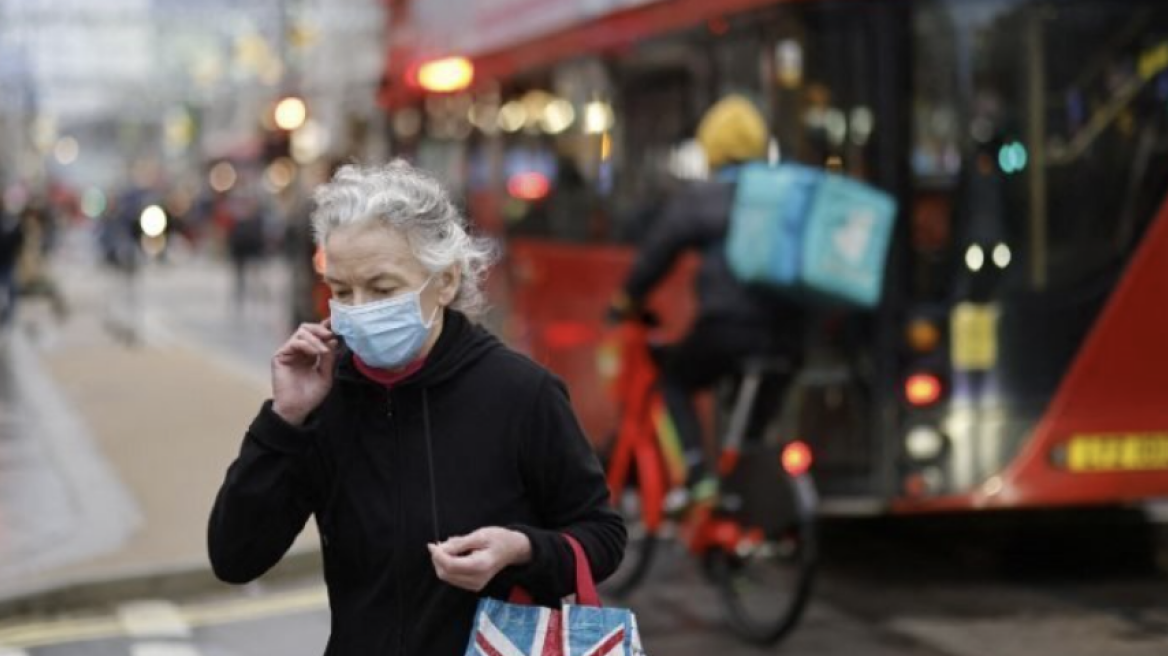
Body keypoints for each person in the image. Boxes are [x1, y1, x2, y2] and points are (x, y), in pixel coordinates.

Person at [208, 161, 625, 656]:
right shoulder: (325, 400)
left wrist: (523, 549)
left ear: (445, 282)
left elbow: (602, 534)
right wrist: (283, 421)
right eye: (341, 291)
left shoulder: (520, 392)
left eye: (382, 289)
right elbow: (235, 558)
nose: (359, 308)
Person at [610, 95, 806, 501]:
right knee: (751, 423)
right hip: (790, 335)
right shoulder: (788, 193)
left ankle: (698, 474)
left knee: (675, 380)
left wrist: (626, 299)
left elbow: (657, 255)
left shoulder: (705, 198)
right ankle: (747, 488)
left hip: (727, 329)